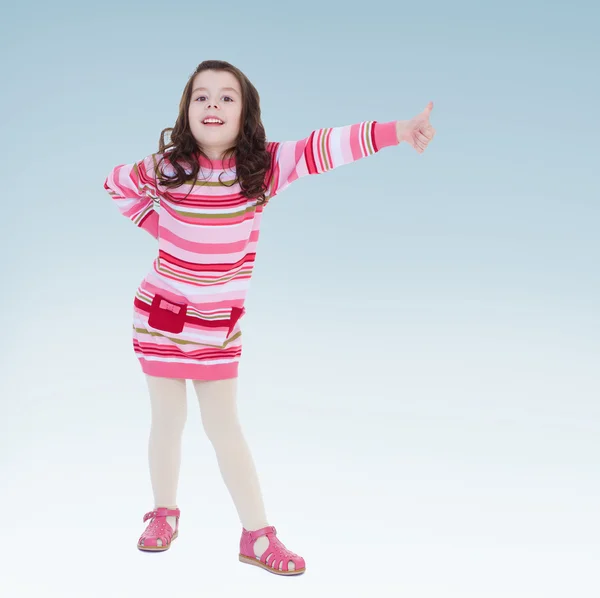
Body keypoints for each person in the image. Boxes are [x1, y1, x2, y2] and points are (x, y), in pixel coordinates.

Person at [103, 59, 436, 575]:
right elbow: (114, 185)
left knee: (224, 427)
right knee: (167, 422)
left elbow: (326, 147)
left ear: (246, 113)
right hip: (160, 317)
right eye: (202, 96)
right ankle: (163, 514)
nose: (212, 105)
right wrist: (159, 229)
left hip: (218, 326)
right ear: (186, 111)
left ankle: (256, 536)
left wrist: (397, 131)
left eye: (226, 97)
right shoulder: (166, 168)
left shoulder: (265, 168)